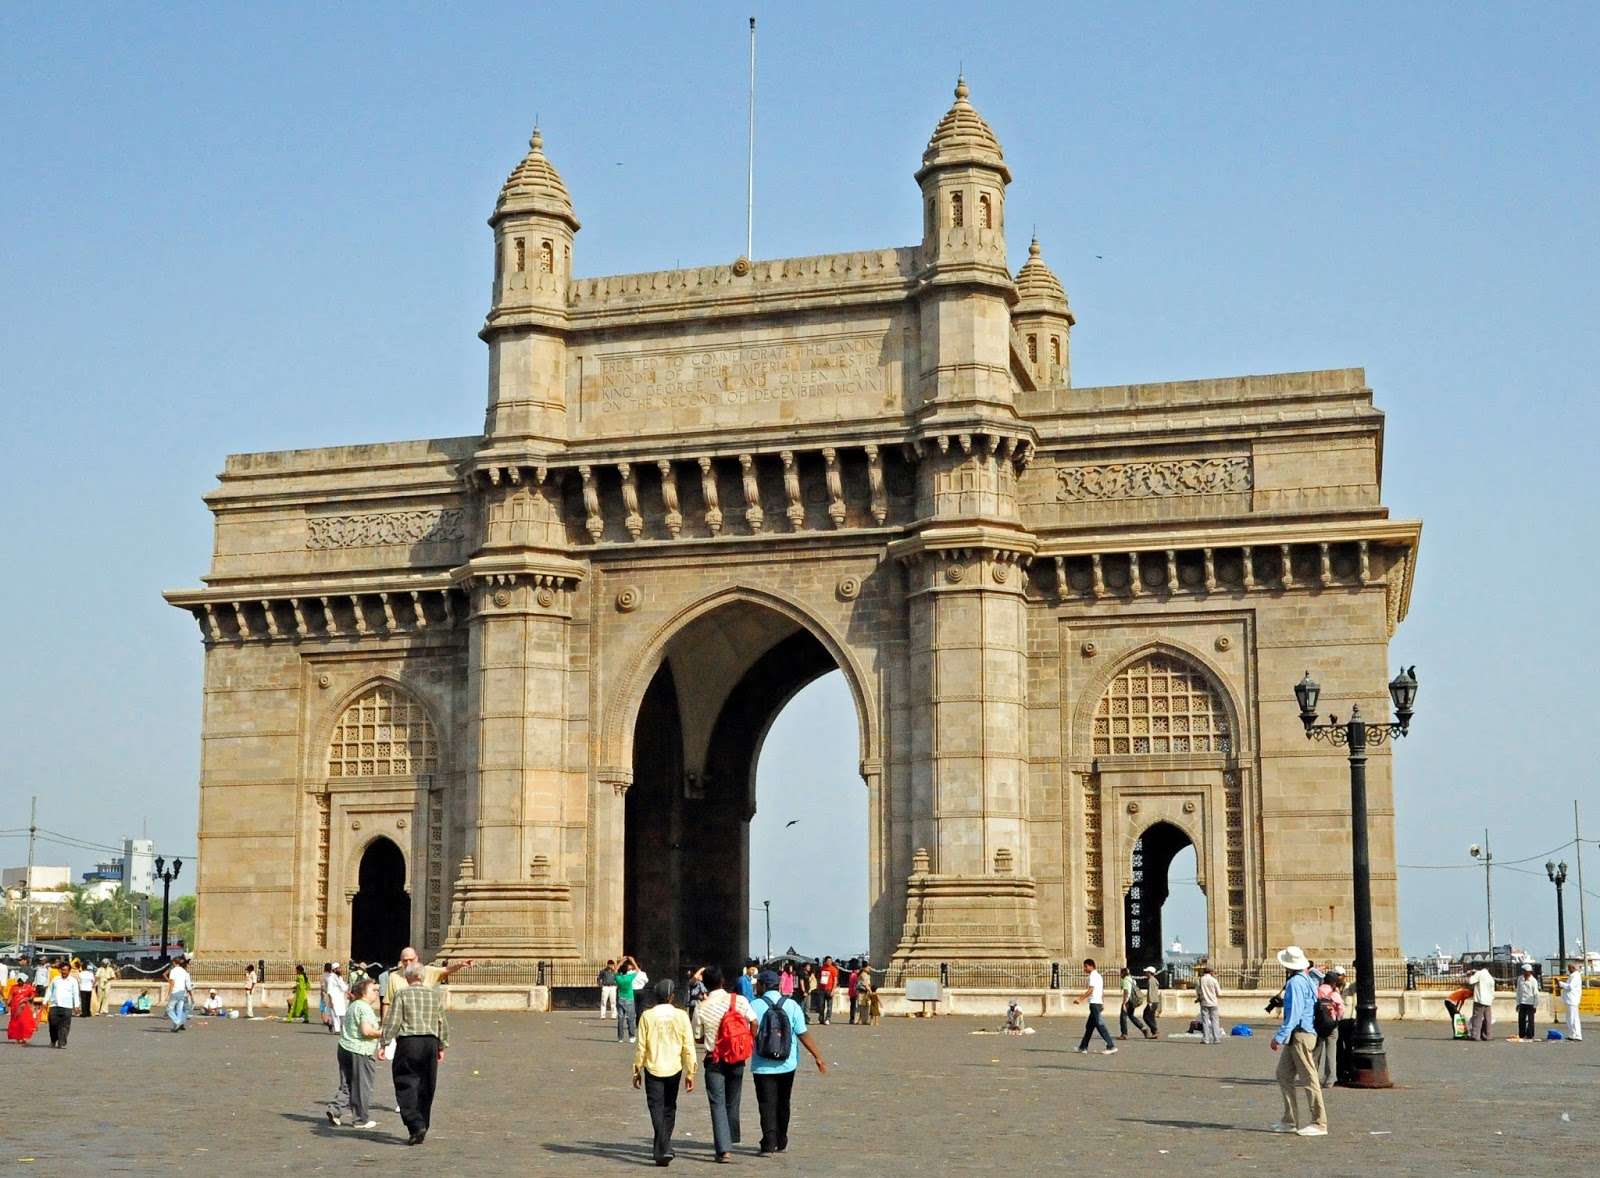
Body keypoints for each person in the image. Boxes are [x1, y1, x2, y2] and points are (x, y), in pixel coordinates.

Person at [750, 968, 827, 1156]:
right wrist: (817, 1056)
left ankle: (768, 1142)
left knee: (766, 1103)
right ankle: (781, 1139)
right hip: (787, 1063)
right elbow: (802, 1033)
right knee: (784, 1102)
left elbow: (749, 1032)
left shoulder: (754, 1005)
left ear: (762, 985)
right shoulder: (792, 1005)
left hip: (762, 1064)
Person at [381, 962, 449, 1146]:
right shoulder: (433, 995)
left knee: (405, 1082)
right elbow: (441, 1021)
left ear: (408, 977)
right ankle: (423, 1123)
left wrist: (384, 1042)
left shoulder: (402, 994)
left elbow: (394, 1020)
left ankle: (415, 1123)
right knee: (427, 1084)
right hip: (430, 1042)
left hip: (409, 1042)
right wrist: (442, 1045)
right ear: (422, 976)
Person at [694, 964, 756, 1163]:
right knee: (733, 1099)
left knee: (717, 1103)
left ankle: (724, 1149)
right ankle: (730, 1137)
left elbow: (697, 1037)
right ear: (722, 981)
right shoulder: (739, 1000)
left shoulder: (701, 1007)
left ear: (705, 985)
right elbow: (754, 1022)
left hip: (715, 1060)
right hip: (737, 1058)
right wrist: (748, 1041)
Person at [633, 979, 696, 1167]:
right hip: (674, 1068)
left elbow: (641, 1046)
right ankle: (664, 1146)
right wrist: (690, 1071)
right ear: (671, 996)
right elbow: (688, 1046)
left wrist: (637, 1069)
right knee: (669, 1107)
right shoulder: (682, 1015)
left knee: (655, 1107)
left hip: (653, 1067)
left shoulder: (647, 1016)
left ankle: (662, 1147)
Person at [1269, 945, 1326, 1137]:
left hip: (1300, 1034)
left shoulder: (1295, 983)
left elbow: (1294, 1014)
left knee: (1309, 1078)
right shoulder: (1310, 980)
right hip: (1300, 1034)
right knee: (1283, 1074)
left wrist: (1279, 1037)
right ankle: (1289, 1120)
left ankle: (1319, 1122)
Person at [328, 976, 382, 1129]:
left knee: (347, 1083)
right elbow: (366, 1031)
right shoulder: (364, 1008)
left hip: (344, 1047)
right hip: (359, 1051)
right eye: (373, 990)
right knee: (362, 1086)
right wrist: (382, 1033)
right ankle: (360, 1119)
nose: (376, 993)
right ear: (363, 993)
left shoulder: (353, 1005)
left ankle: (335, 1109)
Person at [1071, 957, 1117, 1054]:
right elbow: (1101, 991)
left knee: (1100, 1025)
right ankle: (1083, 1047)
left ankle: (1111, 1046)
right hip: (1098, 1002)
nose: (1084, 969)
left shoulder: (1092, 976)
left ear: (1091, 966)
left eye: (1085, 966)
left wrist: (1080, 999)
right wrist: (1102, 1002)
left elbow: (1091, 990)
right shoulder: (1099, 976)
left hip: (1094, 1003)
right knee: (1089, 1027)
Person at [1313, 966, 1347, 1084]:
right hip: (1331, 1025)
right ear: (1334, 982)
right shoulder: (1334, 993)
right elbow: (1341, 1009)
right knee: (1331, 1052)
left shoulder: (1317, 990)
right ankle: (1330, 1078)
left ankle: (1313, 1077)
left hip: (1318, 1024)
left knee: (1316, 1052)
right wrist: (1337, 1018)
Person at [45, 961, 79, 1048]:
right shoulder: (55, 979)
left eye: (66, 970)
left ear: (69, 971)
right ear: (60, 970)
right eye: (62, 970)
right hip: (54, 1005)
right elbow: (49, 990)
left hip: (67, 1006)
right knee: (53, 1024)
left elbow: (76, 993)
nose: (64, 972)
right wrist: (45, 1001)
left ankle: (62, 1042)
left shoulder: (73, 981)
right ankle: (53, 1040)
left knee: (65, 1025)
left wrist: (77, 1005)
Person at [1466, 962, 1495, 1041]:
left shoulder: (1479, 973)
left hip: (1480, 999)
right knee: (1488, 1019)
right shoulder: (1490, 977)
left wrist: (1469, 974)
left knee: (1477, 1018)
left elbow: (1470, 981)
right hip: (1488, 1000)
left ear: (1481, 967)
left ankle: (1475, 1035)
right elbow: (1492, 991)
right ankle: (1487, 1035)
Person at [1117, 967, 1149, 1039]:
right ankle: (1143, 1029)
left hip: (1128, 1001)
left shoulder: (1126, 980)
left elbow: (1126, 992)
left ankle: (1124, 1034)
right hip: (1133, 1000)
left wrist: (1124, 1003)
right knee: (1131, 1016)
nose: (1120, 974)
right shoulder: (1131, 979)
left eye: (1121, 973)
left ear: (1123, 973)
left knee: (1123, 1017)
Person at [7, 971, 38, 1044]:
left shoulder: (28, 987)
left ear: (24, 980)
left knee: (24, 1022)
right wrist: (8, 1003)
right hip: (15, 1007)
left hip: (24, 1007)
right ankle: (17, 1037)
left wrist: (27, 999)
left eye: (21, 980)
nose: (20, 982)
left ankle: (24, 1037)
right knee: (16, 1022)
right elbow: (10, 996)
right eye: (19, 980)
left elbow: (32, 995)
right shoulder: (13, 987)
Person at [616, 956, 641, 1043]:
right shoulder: (629, 977)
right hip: (629, 998)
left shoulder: (618, 978)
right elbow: (637, 970)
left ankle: (620, 1037)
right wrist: (632, 960)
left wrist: (621, 961)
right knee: (630, 1018)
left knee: (620, 1019)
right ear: (627, 971)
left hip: (620, 998)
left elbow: (615, 969)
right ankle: (631, 1036)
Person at [1197, 962, 1223, 1046]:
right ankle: (1216, 1038)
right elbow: (1219, 993)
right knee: (1215, 1021)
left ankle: (1206, 1039)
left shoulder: (1200, 980)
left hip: (1204, 1003)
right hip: (1213, 1003)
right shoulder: (1214, 980)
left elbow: (1198, 992)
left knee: (1205, 1021)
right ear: (1211, 972)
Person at [166, 954, 194, 1032]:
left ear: (174, 962)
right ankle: (175, 1027)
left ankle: (177, 1022)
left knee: (169, 1009)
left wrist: (168, 994)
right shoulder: (184, 972)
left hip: (175, 991)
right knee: (179, 1010)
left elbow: (172, 983)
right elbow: (187, 984)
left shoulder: (173, 971)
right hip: (182, 992)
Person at [1515, 962, 1540, 1042]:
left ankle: (1530, 1034)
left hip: (1530, 1003)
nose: (1524, 973)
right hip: (1522, 1002)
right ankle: (1522, 1034)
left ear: (1529, 972)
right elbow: (1518, 992)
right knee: (1521, 1019)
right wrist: (1518, 1003)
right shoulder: (1520, 979)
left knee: (1530, 1020)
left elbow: (1536, 994)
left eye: (1525, 972)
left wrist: (1535, 1005)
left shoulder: (1533, 981)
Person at [1559, 965, 1584, 1041]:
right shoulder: (1573, 976)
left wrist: (1560, 983)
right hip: (1570, 1000)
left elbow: (1570, 987)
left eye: (1569, 968)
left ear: (1573, 968)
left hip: (1572, 1000)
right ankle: (1572, 1034)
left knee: (1573, 1018)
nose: (1568, 970)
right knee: (1570, 1018)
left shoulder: (1575, 976)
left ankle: (1577, 1035)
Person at [326, 962, 350, 1034]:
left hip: (341, 999)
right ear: (334, 970)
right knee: (335, 1015)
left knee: (343, 1014)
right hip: (334, 999)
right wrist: (330, 1001)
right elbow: (329, 990)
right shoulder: (330, 978)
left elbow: (344, 988)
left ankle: (344, 1028)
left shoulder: (340, 978)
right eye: (339, 968)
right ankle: (337, 1030)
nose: (340, 969)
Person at [816, 956, 838, 1025]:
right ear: (825, 961)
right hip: (822, 989)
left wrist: (833, 990)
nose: (829, 962)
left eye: (830, 961)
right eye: (828, 961)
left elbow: (835, 980)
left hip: (829, 989)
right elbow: (819, 978)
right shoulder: (822, 968)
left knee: (829, 1005)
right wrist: (818, 987)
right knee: (821, 1005)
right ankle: (821, 1018)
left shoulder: (833, 969)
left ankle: (828, 1018)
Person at [1141, 965, 1162, 1037]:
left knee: (1146, 1016)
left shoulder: (1151, 980)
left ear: (1150, 973)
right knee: (1151, 1017)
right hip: (1155, 1001)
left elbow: (1151, 992)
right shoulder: (1155, 980)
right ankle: (1154, 1032)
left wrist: (1149, 1002)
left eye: (1147, 972)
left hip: (1152, 1001)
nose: (1145, 973)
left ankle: (1155, 1030)